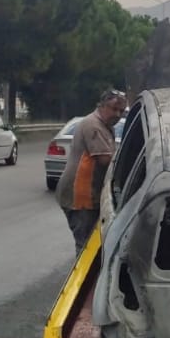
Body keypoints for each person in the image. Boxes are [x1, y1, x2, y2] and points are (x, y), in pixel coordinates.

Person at [57, 90, 128, 254]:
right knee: (86, 248)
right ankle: (83, 279)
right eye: (114, 109)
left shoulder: (105, 126)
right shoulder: (93, 125)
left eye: (121, 111)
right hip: (81, 196)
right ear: (102, 106)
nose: (117, 114)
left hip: (89, 195)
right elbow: (105, 160)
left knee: (93, 245)